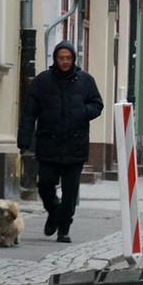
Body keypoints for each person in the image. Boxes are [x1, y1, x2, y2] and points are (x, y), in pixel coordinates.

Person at [17, 41, 104, 244]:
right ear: (55, 59)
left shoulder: (85, 80)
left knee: (70, 192)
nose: (64, 62)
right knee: (45, 185)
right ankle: (53, 212)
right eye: (60, 58)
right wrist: (23, 140)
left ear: (73, 59)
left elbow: (97, 104)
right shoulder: (42, 81)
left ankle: (63, 228)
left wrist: (82, 112)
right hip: (49, 142)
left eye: (68, 58)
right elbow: (29, 113)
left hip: (75, 144)